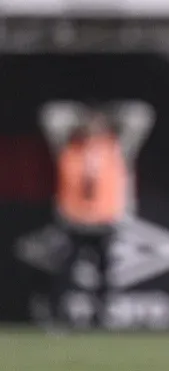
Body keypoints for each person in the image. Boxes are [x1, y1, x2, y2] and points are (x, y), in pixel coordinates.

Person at [40, 101, 153, 328]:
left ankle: (102, 318)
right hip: (75, 221)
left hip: (104, 222)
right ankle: (57, 316)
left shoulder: (117, 148)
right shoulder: (69, 147)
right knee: (65, 273)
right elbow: (51, 115)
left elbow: (142, 115)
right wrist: (83, 118)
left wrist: (109, 117)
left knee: (105, 275)